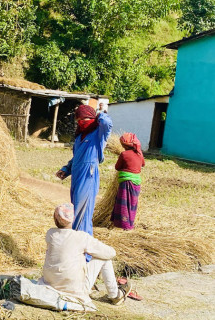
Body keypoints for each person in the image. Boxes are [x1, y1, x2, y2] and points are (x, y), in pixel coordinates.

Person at [40, 203, 132, 307]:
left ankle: (113, 294)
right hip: (74, 289)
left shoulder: (50, 234)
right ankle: (115, 295)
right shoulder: (81, 237)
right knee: (104, 259)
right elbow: (110, 253)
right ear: (73, 219)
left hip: (50, 284)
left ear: (55, 219)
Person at [55, 104, 112, 260]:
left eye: (85, 118)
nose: (82, 122)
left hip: (89, 175)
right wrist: (66, 169)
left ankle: (85, 256)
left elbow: (107, 124)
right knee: (77, 212)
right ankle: (78, 248)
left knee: (83, 214)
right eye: (79, 119)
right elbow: (77, 158)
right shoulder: (79, 137)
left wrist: (100, 113)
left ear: (93, 118)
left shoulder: (98, 134)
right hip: (77, 176)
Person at [111, 133, 145, 230]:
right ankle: (130, 225)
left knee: (124, 204)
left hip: (126, 182)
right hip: (136, 183)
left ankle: (123, 226)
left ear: (123, 145)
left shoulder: (124, 154)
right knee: (132, 204)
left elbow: (117, 167)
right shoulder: (139, 153)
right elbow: (143, 164)